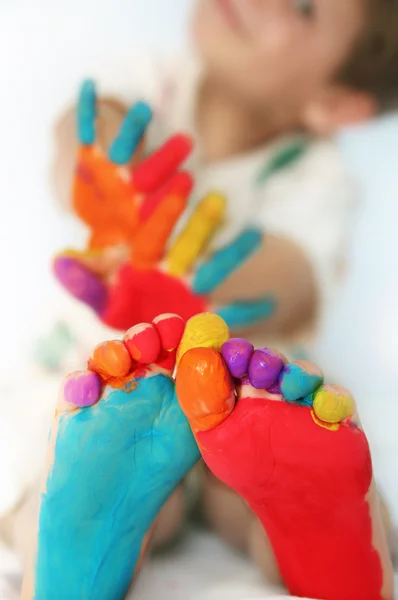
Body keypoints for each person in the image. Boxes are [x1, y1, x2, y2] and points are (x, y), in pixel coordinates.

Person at [2, 0, 398, 589]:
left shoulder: (316, 175)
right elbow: (85, 128)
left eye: (303, 8)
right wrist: (99, 162)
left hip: (243, 388)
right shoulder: (151, 83)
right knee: (60, 446)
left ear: (335, 103)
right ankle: (75, 530)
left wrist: (198, 281)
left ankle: (325, 537)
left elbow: (292, 281)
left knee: (264, 472)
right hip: (102, 369)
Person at [21, 313, 395, 599]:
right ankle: (333, 555)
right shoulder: (76, 313)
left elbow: (297, 282)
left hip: (237, 411)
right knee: (56, 460)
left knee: (40, 487)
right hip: (175, 416)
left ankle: (67, 552)